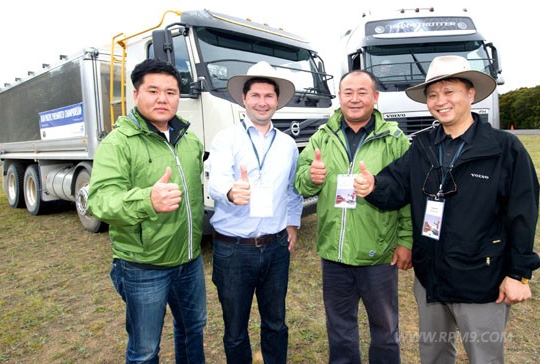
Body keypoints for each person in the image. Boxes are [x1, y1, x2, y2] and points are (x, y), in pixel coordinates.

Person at [354, 55, 540, 363]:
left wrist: (518, 274)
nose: (440, 101)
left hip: (483, 279)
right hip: (431, 278)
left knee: (485, 357)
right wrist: (373, 185)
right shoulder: (423, 145)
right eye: (432, 94)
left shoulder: (504, 149)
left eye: (449, 91)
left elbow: (523, 214)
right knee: (434, 354)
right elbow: (396, 187)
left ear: (470, 94)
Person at [87, 59, 207, 364]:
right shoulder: (118, 143)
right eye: (153, 90)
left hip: (189, 261)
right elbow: (100, 200)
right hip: (143, 266)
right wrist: (147, 201)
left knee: (192, 330)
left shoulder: (189, 140)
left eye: (171, 92)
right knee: (144, 350)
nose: (163, 99)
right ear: (136, 94)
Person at [294, 70, 413, 363]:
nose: (355, 98)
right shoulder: (322, 137)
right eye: (348, 92)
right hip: (334, 253)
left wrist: (406, 240)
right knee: (340, 329)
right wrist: (312, 177)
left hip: (379, 254)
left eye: (362, 92)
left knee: (385, 329)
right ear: (339, 96)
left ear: (375, 97)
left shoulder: (395, 140)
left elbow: (409, 193)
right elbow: (300, 181)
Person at [207, 61, 303, 363]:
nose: (262, 102)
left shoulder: (288, 144)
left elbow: (291, 190)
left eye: (269, 96)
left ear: (277, 101)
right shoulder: (226, 139)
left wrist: (292, 224)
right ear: (244, 99)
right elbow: (217, 179)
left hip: (276, 249)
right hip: (234, 250)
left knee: (276, 322)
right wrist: (231, 191)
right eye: (256, 95)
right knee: (235, 328)